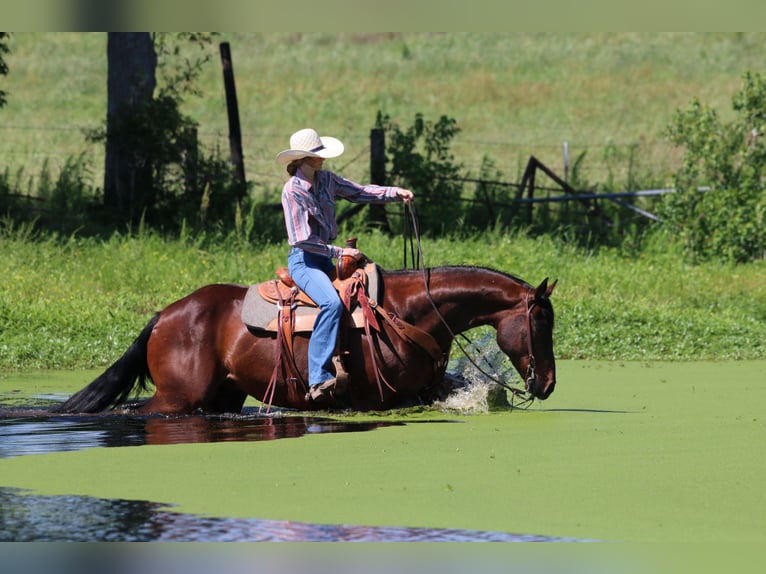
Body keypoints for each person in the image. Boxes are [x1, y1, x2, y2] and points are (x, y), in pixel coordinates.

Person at [277, 128, 414, 402]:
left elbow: (359, 191)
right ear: (303, 159)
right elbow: (301, 239)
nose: (322, 160)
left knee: (370, 290)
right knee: (331, 303)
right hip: (305, 262)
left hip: (326, 258)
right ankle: (317, 377)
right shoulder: (292, 191)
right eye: (317, 156)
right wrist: (339, 251)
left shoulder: (327, 180)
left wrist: (393, 193)